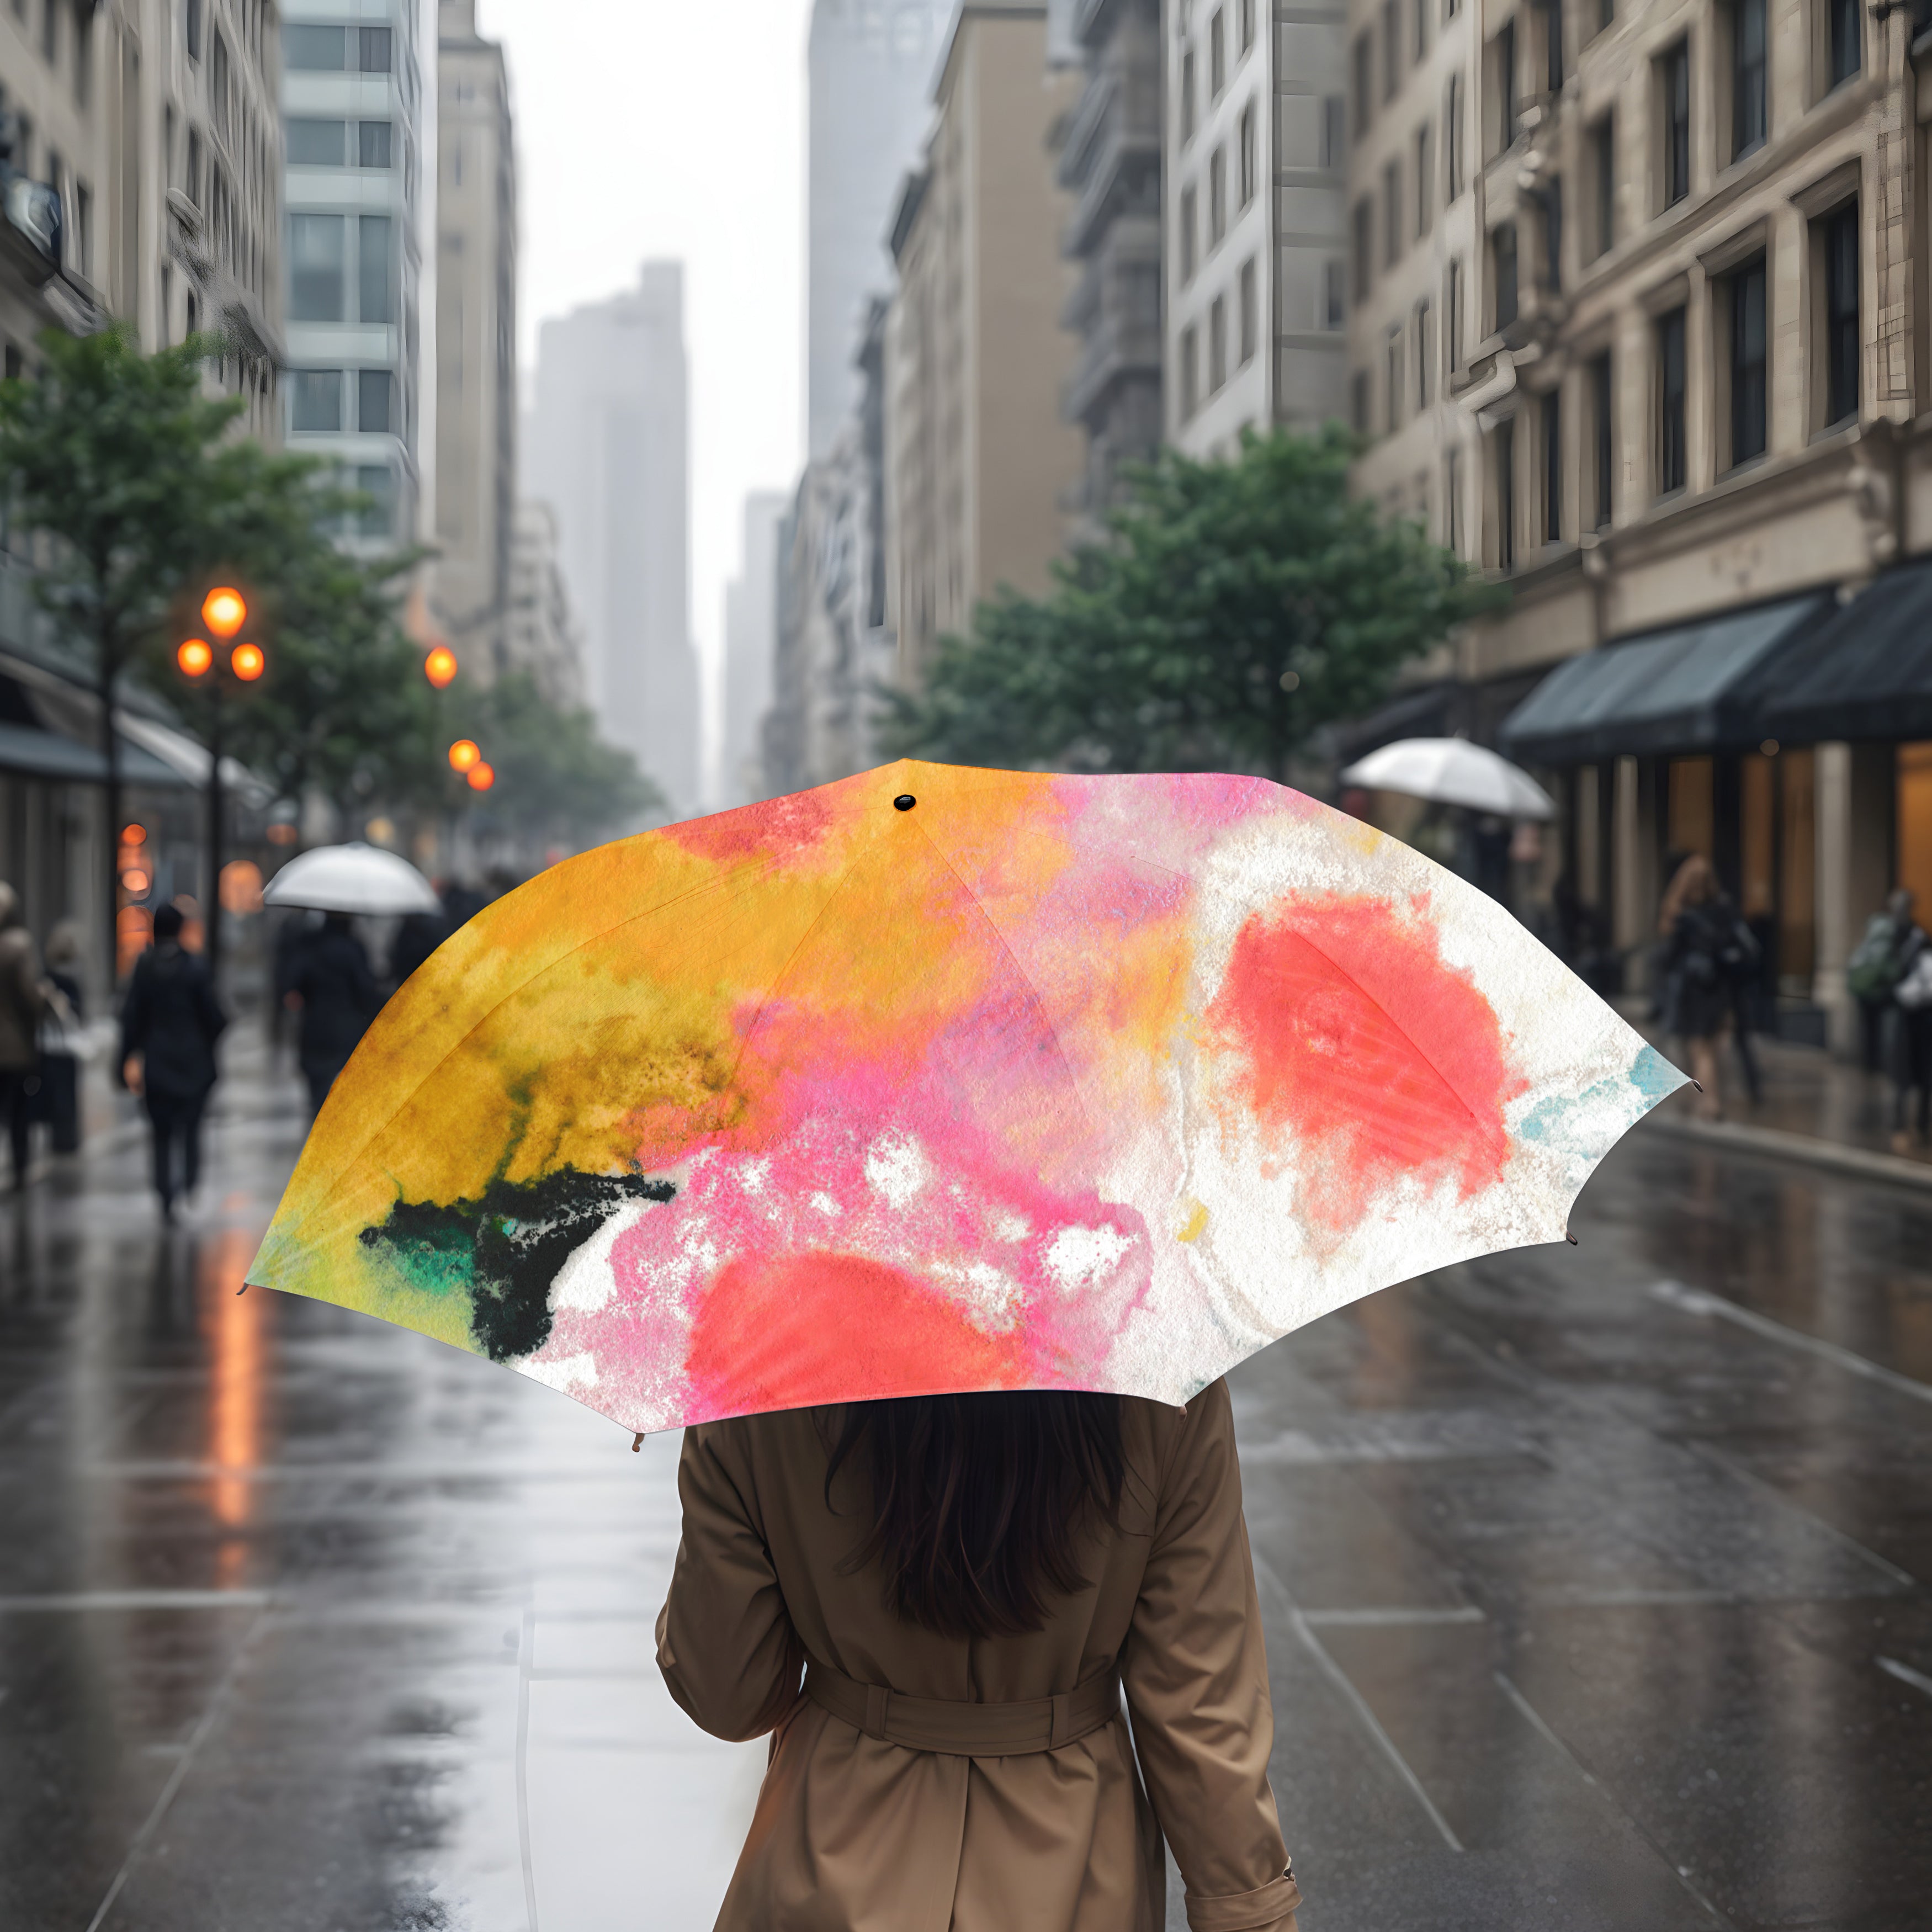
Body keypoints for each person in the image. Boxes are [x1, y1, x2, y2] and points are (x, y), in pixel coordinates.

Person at [657, 1383, 1301, 1931]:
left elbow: (730, 1692)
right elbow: (1201, 1701)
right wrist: (1253, 1910)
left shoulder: (763, 1355)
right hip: (1077, 1865)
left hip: (828, 1843)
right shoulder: (1158, 1357)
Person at [119, 903, 227, 1222]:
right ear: (180, 930)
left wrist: (125, 1058)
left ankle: (165, 1192)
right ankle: (189, 1180)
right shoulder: (196, 968)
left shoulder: (144, 968)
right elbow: (215, 1017)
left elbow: (132, 1018)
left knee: (161, 1132)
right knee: (191, 1126)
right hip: (193, 1063)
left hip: (157, 1062)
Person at [1659, 854, 1757, 1123]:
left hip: (1695, 992)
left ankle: (1710, 1104)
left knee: (1700, 1049)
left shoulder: (1684, 917)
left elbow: (1668, 958)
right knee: (1713, 1048)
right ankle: (1709, 1099)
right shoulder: (1724, 910)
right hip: (1722, 990)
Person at [284, 910, 378, 1112]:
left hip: (315, 1031)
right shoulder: (354, 949)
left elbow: (293, 985)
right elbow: (366, 992)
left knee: (318, 1094)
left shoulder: (310, 947)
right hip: (347, 1033)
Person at [0, 883, 48, 1187]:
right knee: (18, 1111)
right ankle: (19, 1168)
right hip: (14, 1046)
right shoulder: (18, 946)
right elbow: (30, 994)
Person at [1847, 889, 1925, 1073]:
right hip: (1888, 988)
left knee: (1874, 1030)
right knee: (1888, 1031)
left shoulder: (1880, 926)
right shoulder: (1904, 931)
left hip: (1876, 988)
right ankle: (1884, 1065)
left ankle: (1874, 1064)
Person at [38, 920, 87, 1155]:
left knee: (53, 1092)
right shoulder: (71, 980)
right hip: (67, 1044)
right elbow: (79, 1013)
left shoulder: (45, 976)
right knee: (66, 1094)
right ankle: (67, 1139)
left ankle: (59, 1138)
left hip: (49, 1044)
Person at [1887, 902, 1932, 1153]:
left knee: (1908, 1076)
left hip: (1911, 1019)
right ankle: (1913, 1127)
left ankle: (1906, 1128)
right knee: (1916, 1076)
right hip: (1920, 1019)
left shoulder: (1906, 939)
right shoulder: (1916, 938)